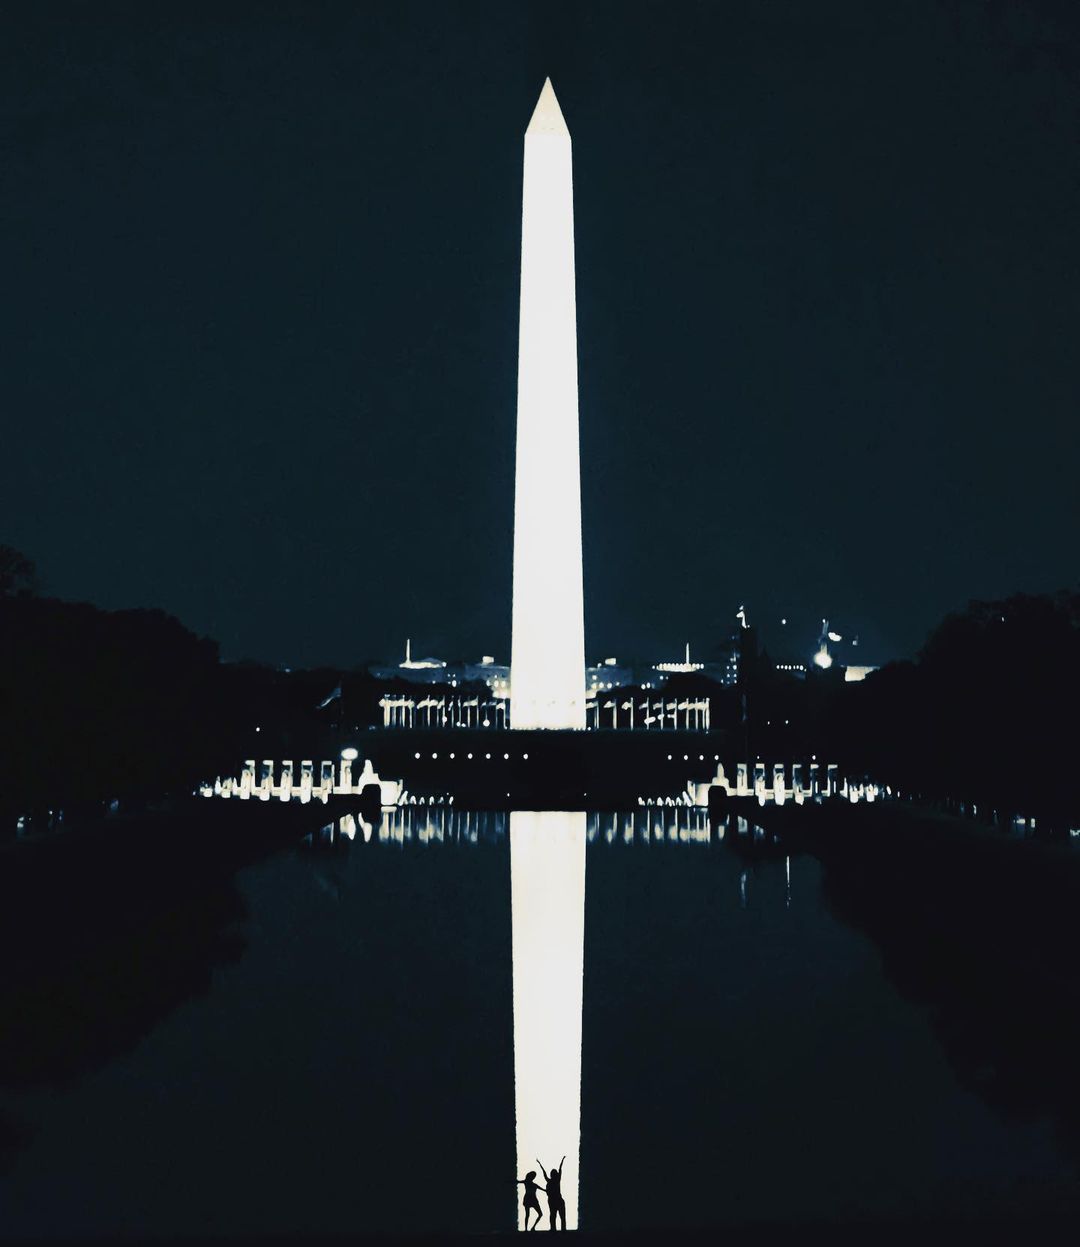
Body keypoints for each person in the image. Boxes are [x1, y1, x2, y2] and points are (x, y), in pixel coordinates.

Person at [537, 1156, 566, 1231]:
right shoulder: (557, 1180)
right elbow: (560, 1169)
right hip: (557, 1200)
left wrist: (540, 1165)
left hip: (554, 1200)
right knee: (558, 1216)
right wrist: (562, 1160)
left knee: (553, 1216)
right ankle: (560, 1230)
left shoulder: (551, 1181)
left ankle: (554, 1229)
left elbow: (545, 1174)